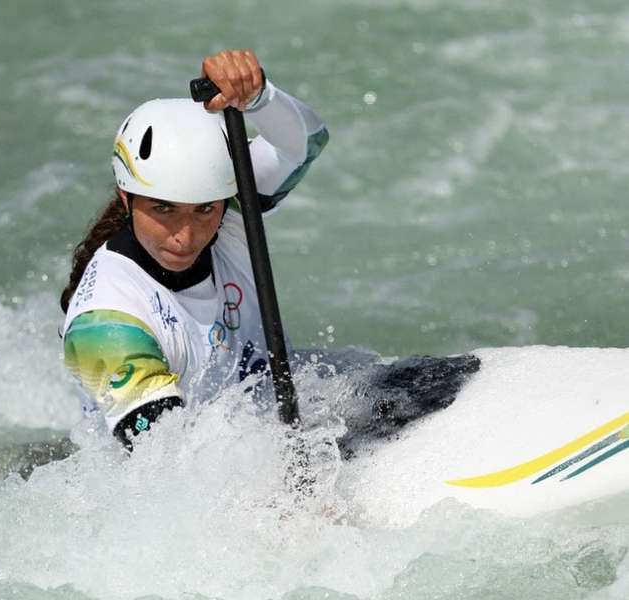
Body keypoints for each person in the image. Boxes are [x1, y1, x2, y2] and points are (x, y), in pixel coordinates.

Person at [60, 49, 479, 449]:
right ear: (126, 195)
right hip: (172, 475)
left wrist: (259, 97)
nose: (186, 236)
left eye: (204, 210)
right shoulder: (104, 323)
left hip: (273, 416)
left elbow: (305, 142)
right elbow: (169, 463)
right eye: (163, 209)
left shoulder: (230, 211)